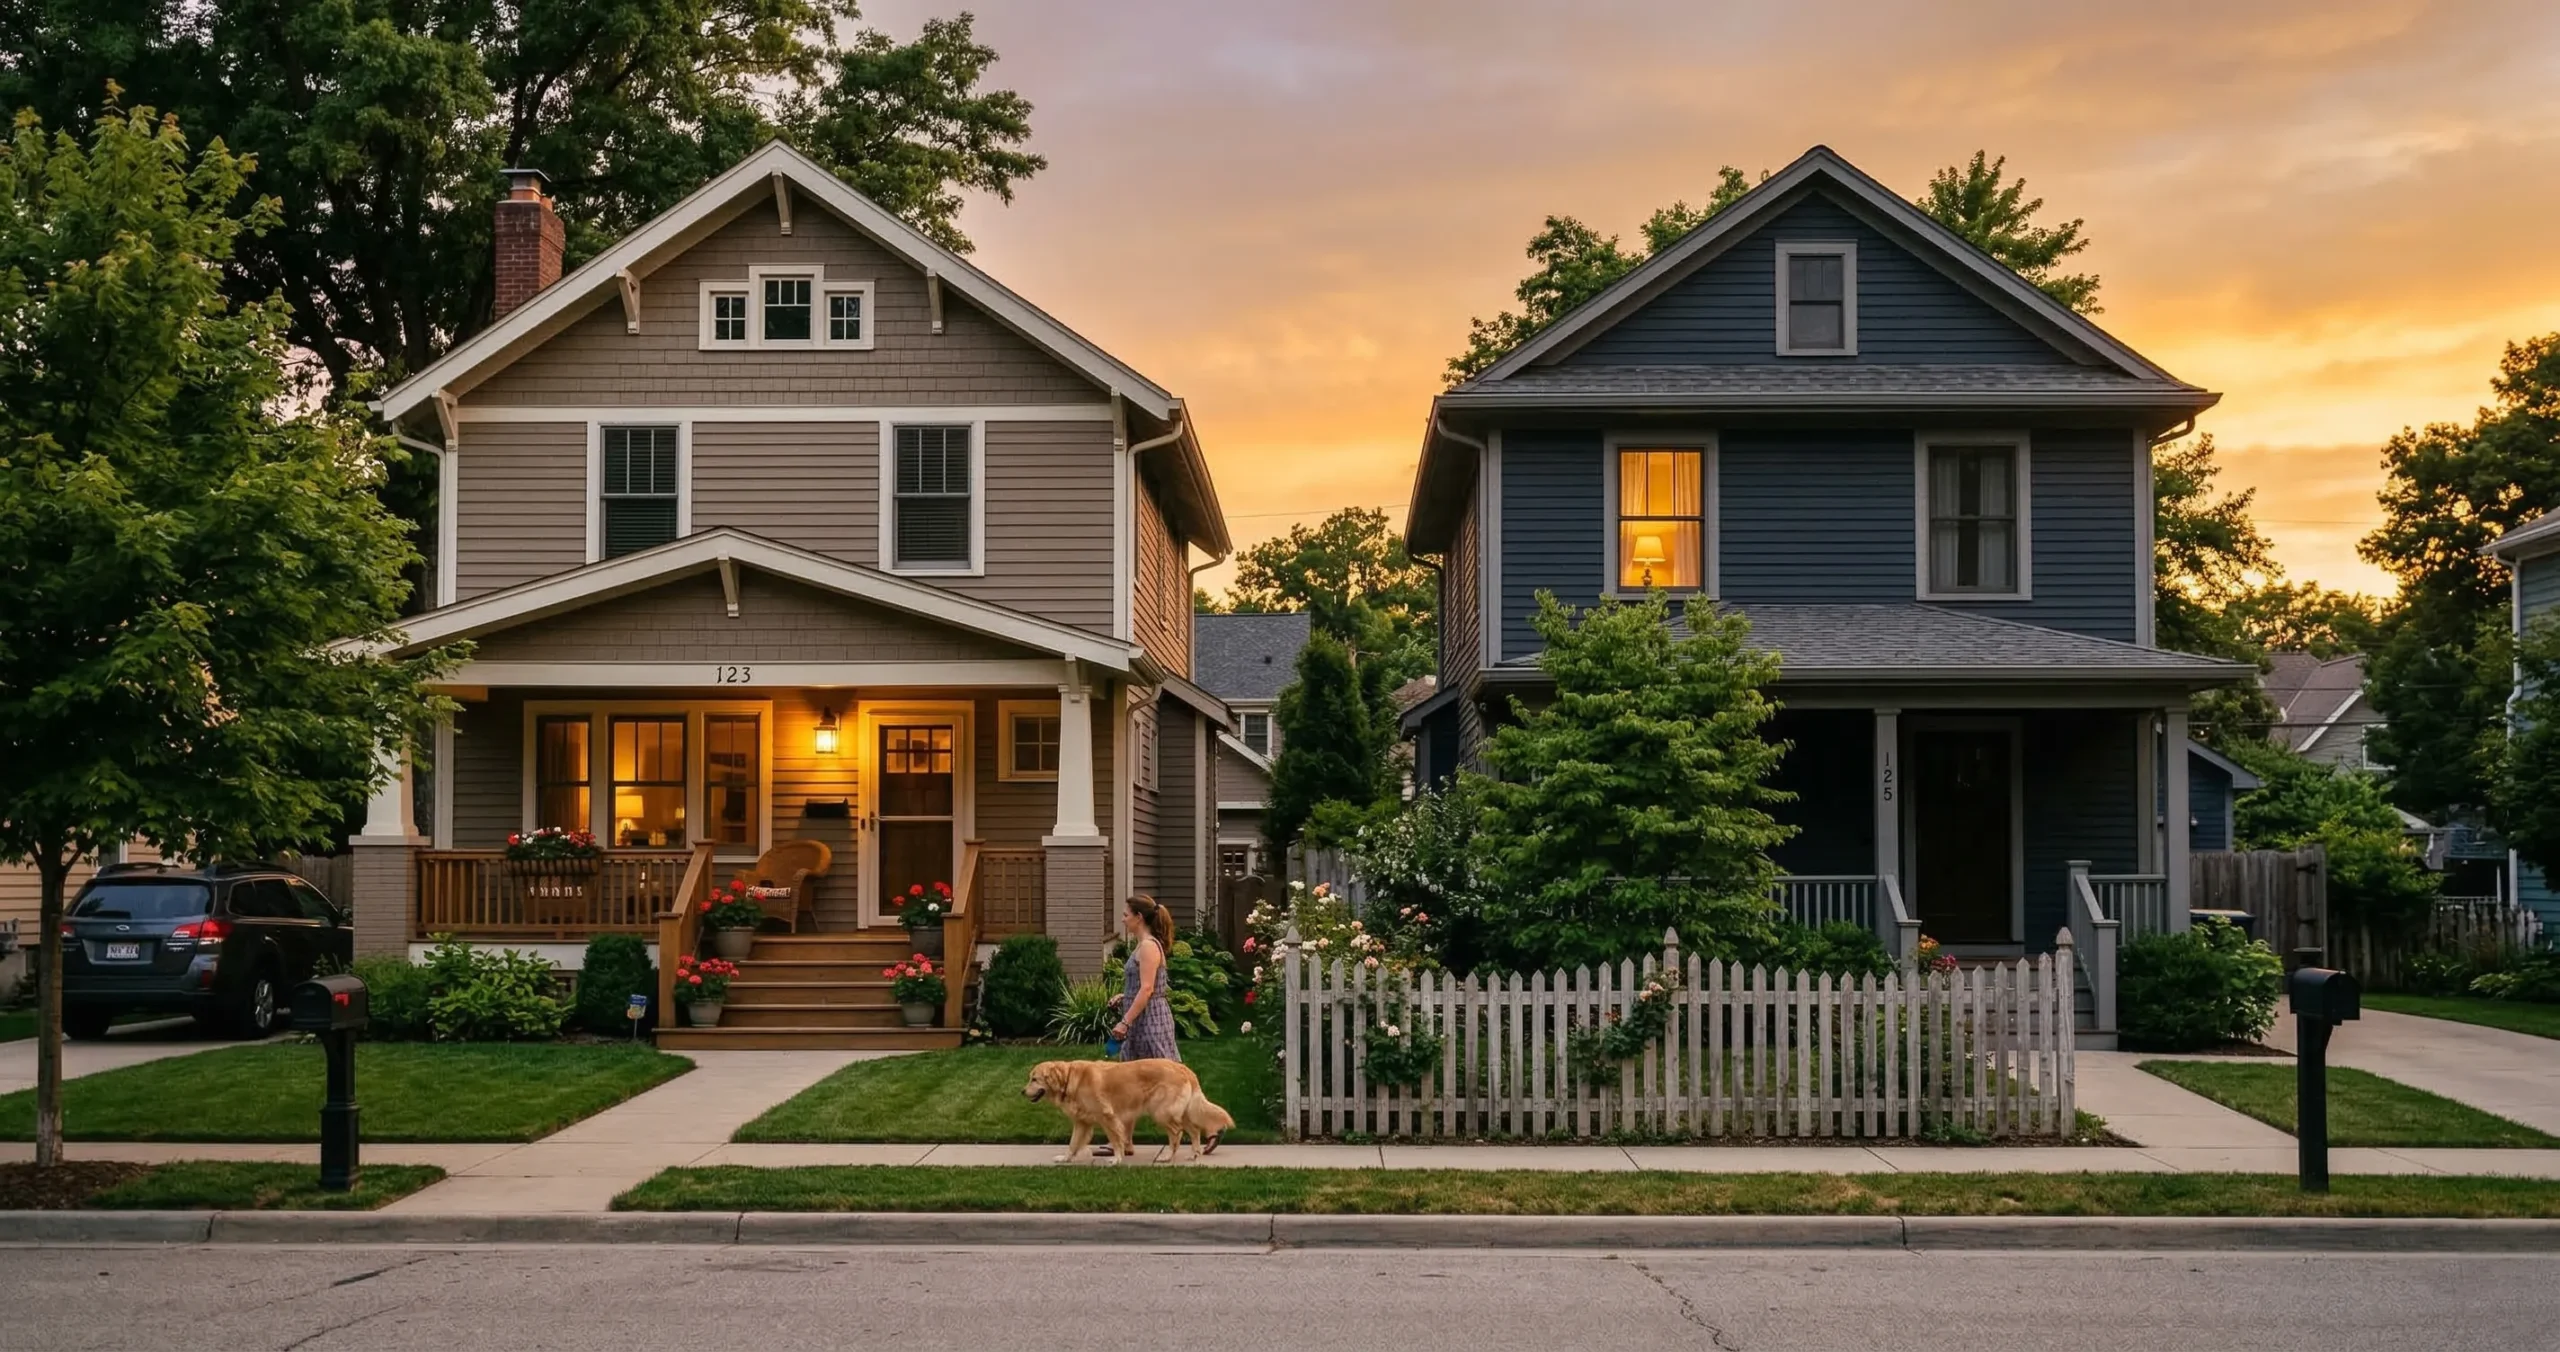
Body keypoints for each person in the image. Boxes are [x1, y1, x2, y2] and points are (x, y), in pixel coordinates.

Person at [1111, 893, 1181, 1064]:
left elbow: (1148, 989)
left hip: (1151, 1021)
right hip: (1140, 1020)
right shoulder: (1142, 945)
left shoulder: (1148, 947)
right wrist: (1125, 996)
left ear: (1139, 917)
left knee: (1160, 1076)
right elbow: (1145, 985)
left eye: (1126, 915)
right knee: (1135, 1080)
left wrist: (1124, 1022)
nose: (1123, 920)